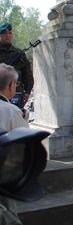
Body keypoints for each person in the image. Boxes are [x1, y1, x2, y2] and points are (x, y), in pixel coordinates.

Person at [0, 63, 30, 216]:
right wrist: (24, 120)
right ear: (11, 85)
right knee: (8, 217)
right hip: (3, 174)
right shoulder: (11, 110)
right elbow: (26, 141)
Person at [0, 22, 33, 110]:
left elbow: (27, 74)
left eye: (10, 33)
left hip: (16, 92)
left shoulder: (19, 53)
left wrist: (28, 91)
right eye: (4, 33)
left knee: (16, 117)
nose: (7, 35)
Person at [0, 64, 29, 132]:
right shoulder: (12, 111)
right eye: (16, 83)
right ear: (10, 85)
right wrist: (25, 121)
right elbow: (23, 137)